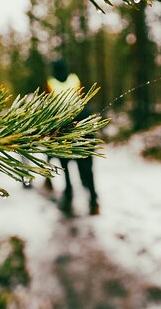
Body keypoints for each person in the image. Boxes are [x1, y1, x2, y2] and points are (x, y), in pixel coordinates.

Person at [45, 59, 99, 215]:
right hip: (82, 122)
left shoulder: (50, 82)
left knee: (65, 164)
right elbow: (83, 98)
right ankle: (93, 200)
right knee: (87, 168)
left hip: (62, 125)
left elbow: (49, 105)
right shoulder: (75, 79)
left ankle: (68, 194)